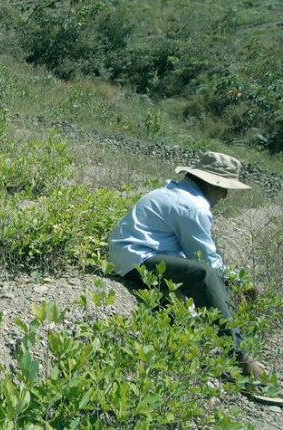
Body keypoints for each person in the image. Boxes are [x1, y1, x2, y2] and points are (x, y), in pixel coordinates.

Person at [108, 152, 267, 381]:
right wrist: (239, 283)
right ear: (212, 184)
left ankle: (212, 338)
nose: (225, 196)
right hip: (137, 258)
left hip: (132, 254)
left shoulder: (177, 192)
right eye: (224, 189)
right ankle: (239, 357)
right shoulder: (193, 207)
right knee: (203, 275)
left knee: (204, 280)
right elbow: (205, 261)